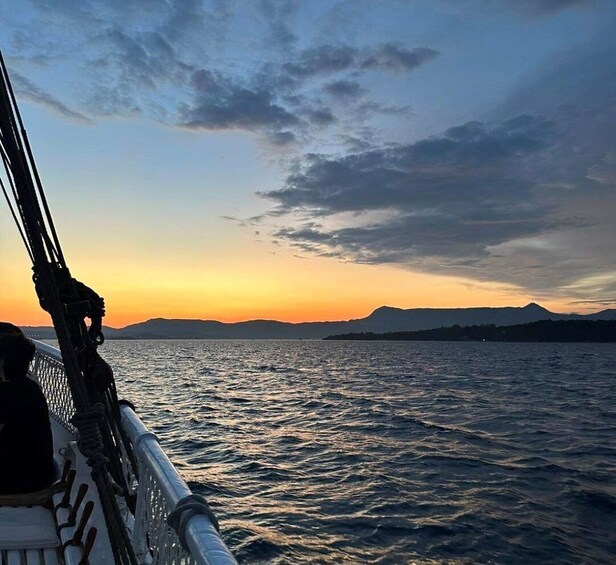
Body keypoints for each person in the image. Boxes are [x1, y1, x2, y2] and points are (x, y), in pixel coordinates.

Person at [0, 327, 55, 494]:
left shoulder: (6, 394)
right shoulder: (31, 388)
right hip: (39, 476)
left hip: (16, 481)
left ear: (3, 361)